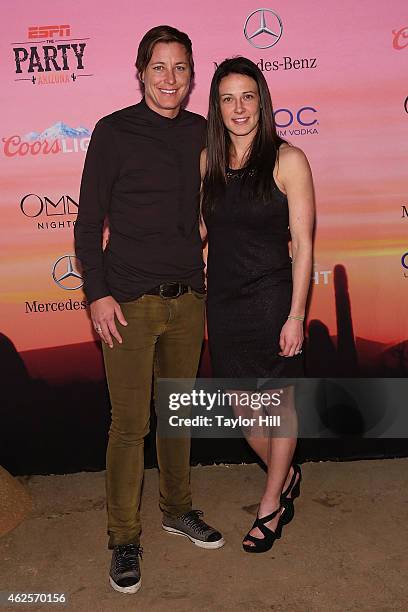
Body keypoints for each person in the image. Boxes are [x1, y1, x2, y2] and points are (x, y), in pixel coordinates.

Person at [75, 25, 224, 595]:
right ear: (140, 72)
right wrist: (97, 293)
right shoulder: (112, 132)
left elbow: (218, 202)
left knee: (179, 415)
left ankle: (177, 509)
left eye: (180, 67)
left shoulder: (200, 133)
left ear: (192, 75)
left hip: (189, 300)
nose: (169, 78)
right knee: (130, 426)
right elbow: (88, 225)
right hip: (127, 304)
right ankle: (123, 538)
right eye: (159, 67)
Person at [201, 57, 314, 553]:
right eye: (228, 98)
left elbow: (304, 245)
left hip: (272, 297)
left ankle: (271, 504)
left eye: (248, 96)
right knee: (243, 408)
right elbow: (201, 231)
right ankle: (285, 474)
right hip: (223, 301)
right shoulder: (208, 162)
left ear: (262, 101)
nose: (239, 107)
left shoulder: (288, 159)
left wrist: (296, 314)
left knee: (278, 404)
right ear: (217, 106)